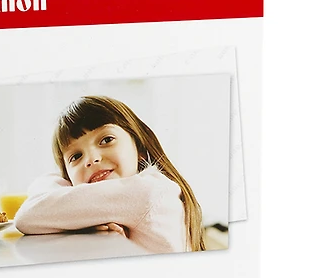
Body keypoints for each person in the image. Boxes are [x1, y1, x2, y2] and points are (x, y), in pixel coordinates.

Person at [14, 96, 205, 254]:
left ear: (139, 148)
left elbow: (27, 215)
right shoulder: (137, 193)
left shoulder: (145, 192)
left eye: (106, 140)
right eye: (76, 156)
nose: (92, 159)